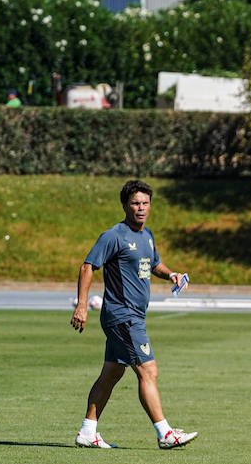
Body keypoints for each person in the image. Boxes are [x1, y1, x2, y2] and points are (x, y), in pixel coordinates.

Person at [70, 180, 198, 450]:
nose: (141, 208)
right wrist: (81, 305)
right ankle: (165, 433)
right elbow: (87, 267)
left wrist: (171, 274)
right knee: (148, 370)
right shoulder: (113, 236)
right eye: (135, 203)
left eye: (145, 203)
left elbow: (154, 264)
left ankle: (88, 431)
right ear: (125, 206)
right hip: (122, 315)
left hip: (133, 316)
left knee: (112, 373)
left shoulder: (147, 235)